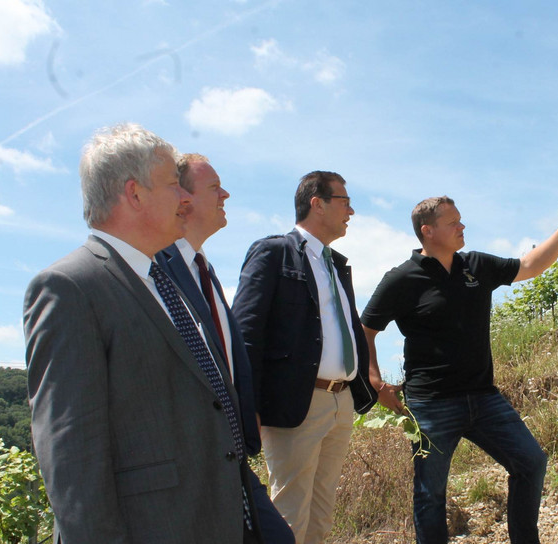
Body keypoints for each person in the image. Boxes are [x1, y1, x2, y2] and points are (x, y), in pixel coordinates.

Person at [24, 124, 265, 544]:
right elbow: (71, 455)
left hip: (215, 517)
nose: (186, 197)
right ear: (134, 194)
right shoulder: (70, 288)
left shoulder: (165, 281)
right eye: (174, 184)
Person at [360, 196, 558, 544]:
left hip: (484, 398)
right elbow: (366, 331)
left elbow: (528, 266)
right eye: (453, 222)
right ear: (428, 230)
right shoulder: (402, 279)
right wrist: (375, 382)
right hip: (431, 405)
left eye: (460, 220)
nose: (462, 227)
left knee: (530, 463)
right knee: (430, 494)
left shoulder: (476, 265)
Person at [232, 170, 377, 544]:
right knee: (289, 518)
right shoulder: (274, 252)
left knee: (321, 519)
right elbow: (246, 332)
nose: (352, 211)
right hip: (295, 403)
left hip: (339, 402)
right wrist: (250, 404)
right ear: (318, 203)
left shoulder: (336, 263)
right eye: (344, 202)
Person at [155, 153, 294, 544]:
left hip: (228, 453)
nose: (226, 194)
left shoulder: (204, 269)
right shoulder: (155, 271)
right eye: (214, 187)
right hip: (193, 460)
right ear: (183, 198)